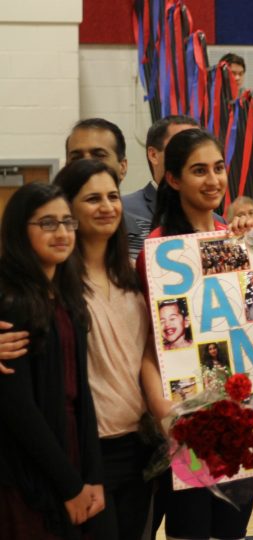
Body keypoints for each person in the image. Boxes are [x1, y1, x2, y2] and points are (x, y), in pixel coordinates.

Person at [138, 128, 253, 540]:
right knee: (190, 532)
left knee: (232, 532)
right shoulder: (157, 251)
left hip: (241, 416)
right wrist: (166, 414)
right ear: (172, 179)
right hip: (185, 421)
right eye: (199, 171)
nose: (213, 180)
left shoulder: (235, 237)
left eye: (219, 168)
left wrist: (252, 251)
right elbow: (149, 347)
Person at [53, 159, 157, 539]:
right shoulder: (54, 283)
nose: (107, 206)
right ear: (68, 208)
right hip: (84, 452)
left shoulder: (134, 276)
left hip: (140, 446)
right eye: (92, 198)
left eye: (113, 196)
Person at [0, 182, 105, 538]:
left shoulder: (66, 298)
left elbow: (83, 397)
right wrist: (69, 485)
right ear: (19, 230)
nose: (61, 232)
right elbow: (18, 409)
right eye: (47, 223)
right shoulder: (11, 303)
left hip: (70, 452)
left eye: (67, 222)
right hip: (29, 467)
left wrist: (92, 477)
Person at [122, 115, 199, 258]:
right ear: (153, 155)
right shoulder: (122, 211)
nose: (194, 157)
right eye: (181, 148)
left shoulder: (217, 223)